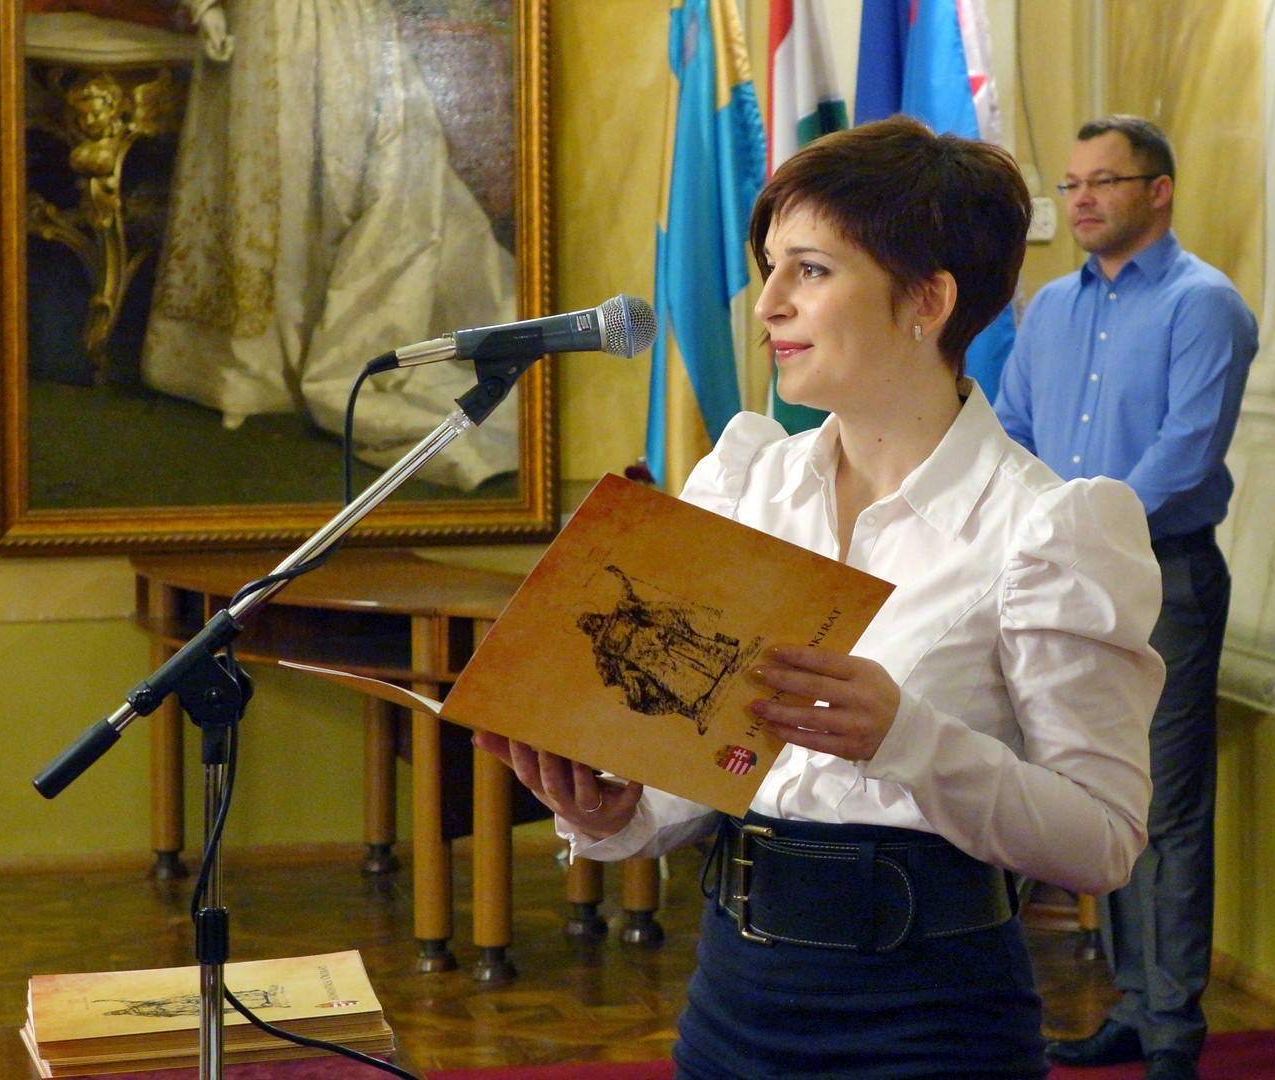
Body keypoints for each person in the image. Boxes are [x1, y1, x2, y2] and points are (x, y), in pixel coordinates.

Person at [474, 115, 1167, 1079]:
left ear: (927, 299)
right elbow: (708, 769)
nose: (767, 305)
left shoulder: (1049, 527)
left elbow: (1102, 842)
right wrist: (613, 808)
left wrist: (909, 738)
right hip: (734, 999)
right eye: (770, 268)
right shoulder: (745, 486)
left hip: (929, 1017)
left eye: (810, 270)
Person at [993, 116, 1258, 1080]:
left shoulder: (1204, 304)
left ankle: (1172, 1028)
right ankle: (1132, 1007)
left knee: (1169, 808)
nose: (1082, 200)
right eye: (1070, 185)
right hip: (1060, 578)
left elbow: (1185, 454)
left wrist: (1084, 538)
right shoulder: (1049, 309)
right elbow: (1015, 431)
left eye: (1104, 181)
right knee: (1097, 793)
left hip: (1162, 576)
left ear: (1160, 190)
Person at [139, 0, 519, 491]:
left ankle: (340, 350)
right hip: (264, 27)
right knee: (271, 183)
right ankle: (255, 375)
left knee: (365, 179)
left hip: (353, 24)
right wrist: (206, 8)